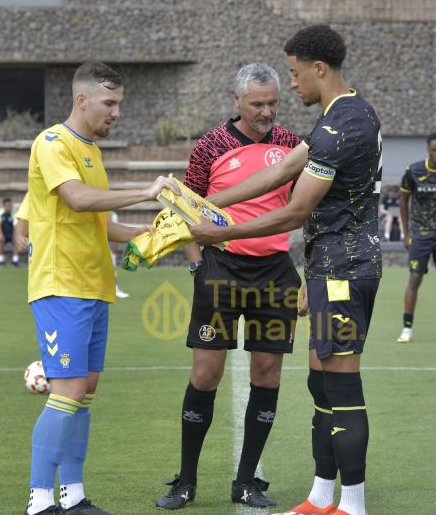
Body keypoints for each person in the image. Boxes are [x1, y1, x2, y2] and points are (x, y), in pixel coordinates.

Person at [190, 25, 381, 515]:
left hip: (344, 268)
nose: (291, 87)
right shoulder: (338, 118)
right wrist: (202, 204)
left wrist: (219, 232)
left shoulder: (342, 126)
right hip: (326, 269)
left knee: (340, 385)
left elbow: (295, 211)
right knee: (320, 383)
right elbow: (274, 173)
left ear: (319, 69)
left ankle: (353, 505)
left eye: (295, 75)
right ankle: (321, 496)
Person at [21, 61, 179, 515]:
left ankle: (72, 497)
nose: (117, 112)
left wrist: (157, 233)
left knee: (85, 390)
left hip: (94, 286)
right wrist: (147, 192)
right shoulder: (52, 142)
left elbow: (101, 223)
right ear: (82, 99)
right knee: (67, 391)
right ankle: (40, 501)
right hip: (61, 284)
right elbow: (77, 199)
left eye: (120, 104)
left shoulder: (93, 152)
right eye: (110, 103)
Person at [156, 63, 302, 511]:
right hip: (221, 269)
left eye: (273, 102)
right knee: (205, 375)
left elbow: (305, 208)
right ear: (236, 101)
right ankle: (186, 481)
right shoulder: (210, 146)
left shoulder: (294, 146)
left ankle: (246, 482)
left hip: (275, 273)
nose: (267, 111)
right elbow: (187, 209)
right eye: (257, 103)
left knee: (268, 374)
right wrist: (198, 268)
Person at [397, 132, 436, 344]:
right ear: (427, 149)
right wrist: (407, 234)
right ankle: (407, 328)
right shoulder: (413, 171)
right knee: (415, 278)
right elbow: (404, 202)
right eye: (433, 150)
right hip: (420, 234)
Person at [0, 197, 23, 267]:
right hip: (3, 232)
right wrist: (0, 234)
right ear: (4, 206)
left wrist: (15, 236)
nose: (10, 207)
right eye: (8, 205)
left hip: (11, 232)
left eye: (10, 205)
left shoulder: (15, 213)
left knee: (17, 239)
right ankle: (0, 260)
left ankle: (15, 260)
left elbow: (16, 226)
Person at [107, 211, 128, 297]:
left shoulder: (113, 215)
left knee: (112, 269)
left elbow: (115, 234)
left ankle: (115, 289)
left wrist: (113, 250)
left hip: (110, 248)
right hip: (99, 248)